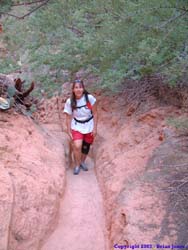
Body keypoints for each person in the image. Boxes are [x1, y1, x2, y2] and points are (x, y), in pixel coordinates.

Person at [63, 79, 98, 175]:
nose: (78, 90)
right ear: (73, 90)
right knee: (77, 146)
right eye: (76, 87)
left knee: (86, 146)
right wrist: (68, 130)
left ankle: (82, 161)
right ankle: (77, 165)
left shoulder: (89, 98)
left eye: (80, 87)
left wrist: (95, 128)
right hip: (77, 125)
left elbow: (95, 113)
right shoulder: (70, 102)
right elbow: (68, 117)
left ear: (83, 88)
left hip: (89, 125)